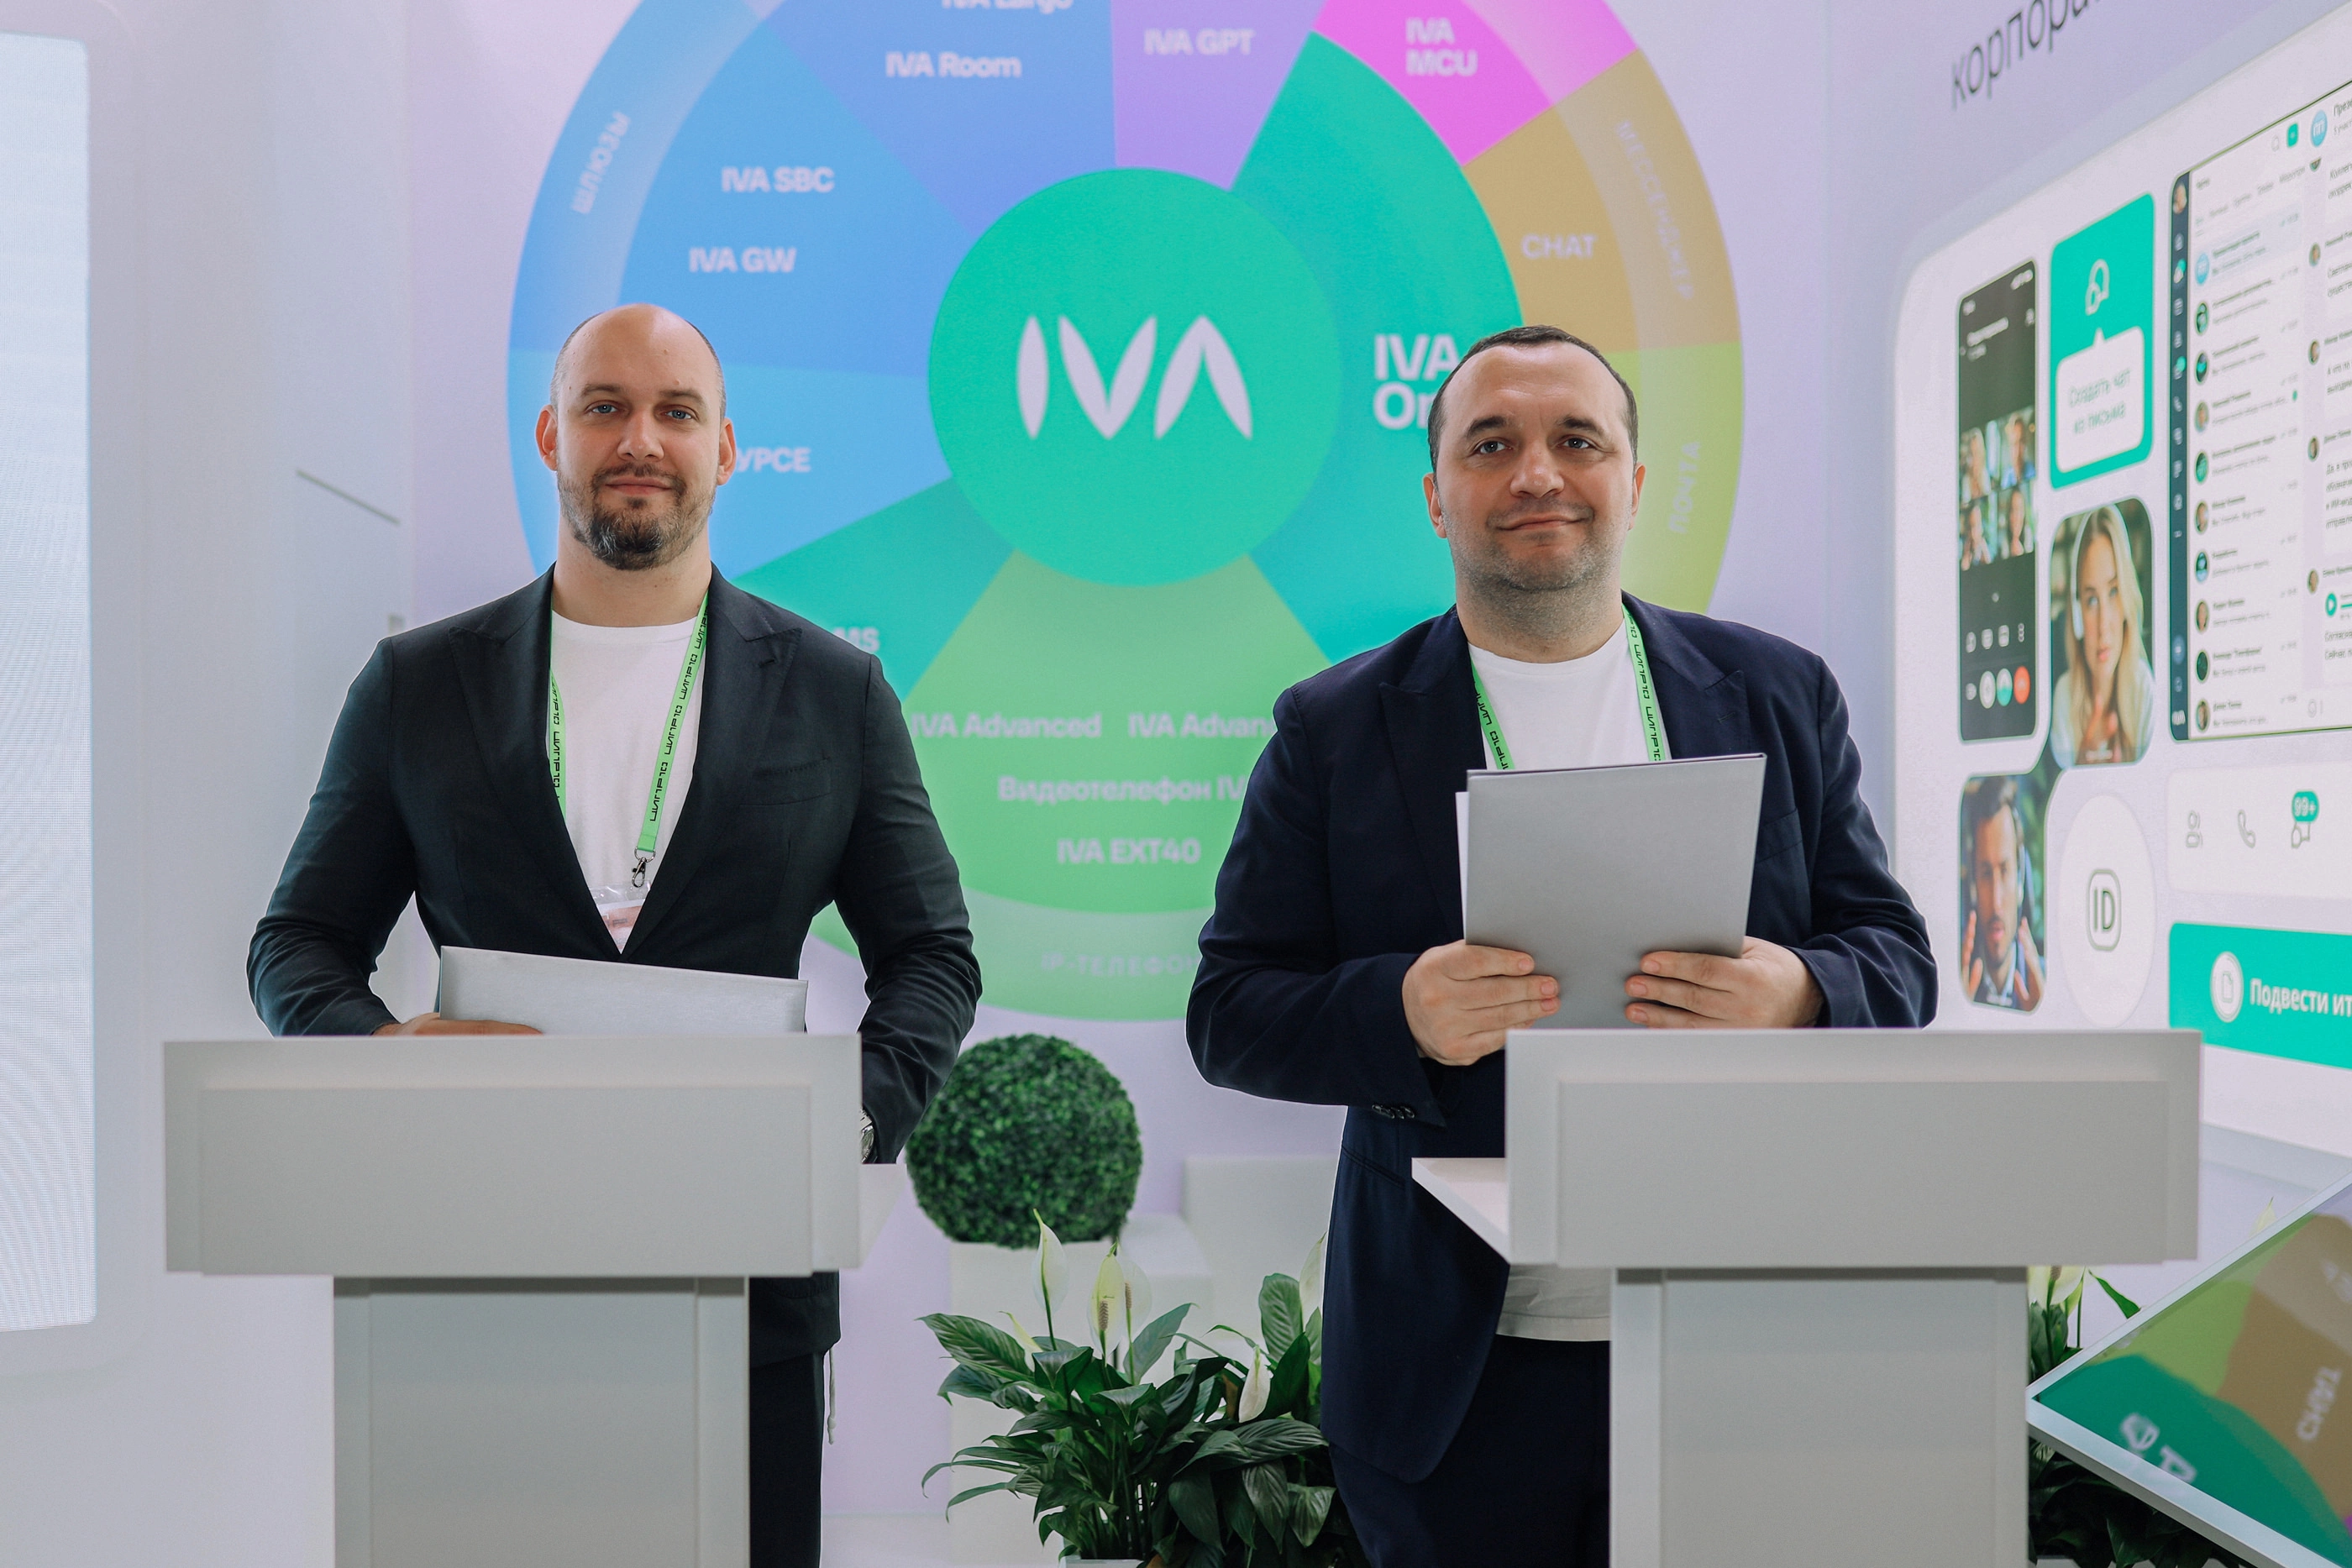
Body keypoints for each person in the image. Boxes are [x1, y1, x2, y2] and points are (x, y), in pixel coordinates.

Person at [1185, 324, 1936, 1568]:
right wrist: (1401, 1008)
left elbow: (1895, 955)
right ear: (1437, 497)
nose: (1538, 472)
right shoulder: (1334, 727)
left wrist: (1801, 991)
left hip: (1730, 1345)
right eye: (1491, 445)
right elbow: (1229, 1010)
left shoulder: (1777, 692)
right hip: (1457, 1380)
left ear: (1633, 481)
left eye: (1577, 439)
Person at [247, 303, 980, 1568]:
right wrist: (381, 1051)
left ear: (726, 449)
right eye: (605, 407)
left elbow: (932, 956)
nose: (640, 439)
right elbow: (296, 944)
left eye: (676, 411)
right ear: (551, 434)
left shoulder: (834, 690)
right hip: (472, 1279)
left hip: (747, 1290)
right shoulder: (417, 684)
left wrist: (846, 1119)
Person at [2050, 506, 2155, 766]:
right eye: (2092, 600)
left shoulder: (2143, 688)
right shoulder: (2065, 695)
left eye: (2114, 592)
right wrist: (2081, 767)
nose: (2103, 626)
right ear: (2077, 615)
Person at [1961, 775, 2041, 1009]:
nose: (1996, 902)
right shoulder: (1953, 985)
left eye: (2005, 871)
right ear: (1973, 884)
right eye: (1986, 874)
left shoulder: (2048, 988)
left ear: (2021, 878)